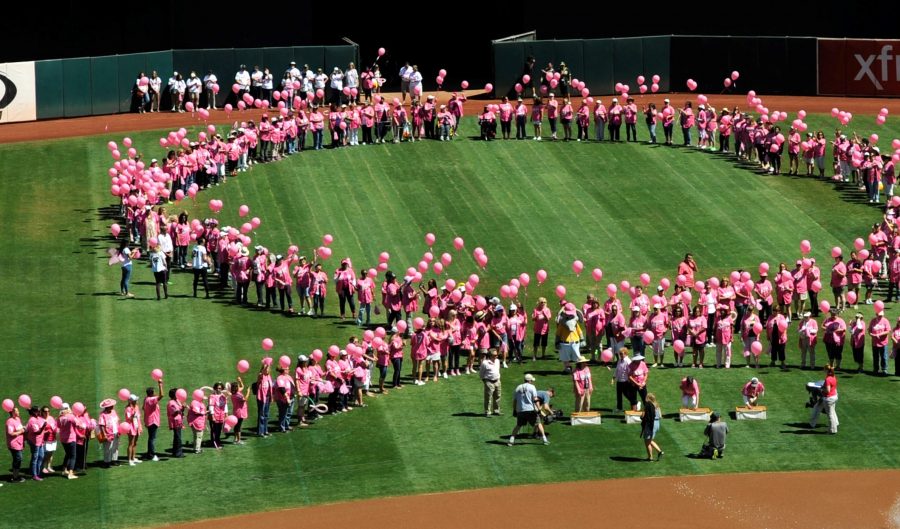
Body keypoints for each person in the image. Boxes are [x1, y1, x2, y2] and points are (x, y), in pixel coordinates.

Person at [507, 374, 548, 446]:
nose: (532, 381)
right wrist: (538, 409)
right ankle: (545, 439)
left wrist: (514, 410)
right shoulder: (532, 387)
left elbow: (515, 401)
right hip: (530, 410)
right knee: (538, 423)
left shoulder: (518, 387)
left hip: (520, 410)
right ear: (529, 380)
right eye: (531, 380)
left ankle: (511, 440)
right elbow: (535, 399)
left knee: (518, 425)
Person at [555, 302, 585, 374]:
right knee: (565, 357)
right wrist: (557, 342)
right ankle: (567, 367)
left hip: (575, 342)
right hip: (564, 343)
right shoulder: (562, 323)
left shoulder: (575, 323)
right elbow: (558, 334)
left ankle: (578, 368)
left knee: (577, 357)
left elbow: (579, 331)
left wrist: (582, 339)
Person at [809, 365, 839, 434]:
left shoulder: (828, 379)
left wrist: (821, 389)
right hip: (833, 396)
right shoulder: (833, 376)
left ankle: (832, 430)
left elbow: (827, 390)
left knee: (830, 414)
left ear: (826, 370)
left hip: (828, 398)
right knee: (830, 411)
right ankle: (835, 424)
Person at [143, 377, 163, 461]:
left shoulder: (146, 399)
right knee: (152, 438)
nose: (155, 393)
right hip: (153, 421)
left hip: (148, 420)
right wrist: (160, 384)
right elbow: (161, 395)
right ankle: (151, 455)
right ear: (151, 393)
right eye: (154, 392)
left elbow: (143, 408)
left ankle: (149, 453)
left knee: (151, 437)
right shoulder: (151, 400)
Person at [640, 393, 663, 461]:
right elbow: (660, 416)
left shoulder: (647, 405)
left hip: (650, 424)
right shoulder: (657, 406)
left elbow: (642, 416)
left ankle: (651, 457)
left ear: (648, 398)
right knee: (650, 440)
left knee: (647, 441)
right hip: (657, 423)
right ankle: (659, 452)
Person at [97, 398, 119, 468]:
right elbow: (102, 425)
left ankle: (114, 460)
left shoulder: (113, 412)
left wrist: (119, 431)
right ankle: (107, 462)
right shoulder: (102, 414)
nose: (112, 406)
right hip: (108, 434)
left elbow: (117, 421)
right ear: (107, 407)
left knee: (115, 447)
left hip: (116, 432)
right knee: (108, 448)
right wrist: (104, 434)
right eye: (111, 406)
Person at [6, 405, 25, 482]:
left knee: (18, 459)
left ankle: (16, 475)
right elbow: (10, 433)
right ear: (12, 412)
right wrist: (21, 431)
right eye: (16, 411)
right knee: (18, 459)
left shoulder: (17, 419)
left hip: (19, 443)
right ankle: (14, 477)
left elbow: (19, 428)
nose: (18, 412)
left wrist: (23, 428)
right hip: (14, 444)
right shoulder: (10, 421)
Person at [480, 349, 501, 417]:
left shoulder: (497, 361)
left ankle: (496, 410)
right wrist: (485, 381)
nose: (496, 356)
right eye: (495, 355)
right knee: (488, 398)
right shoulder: (485, 363)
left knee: (497, 396)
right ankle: (487, 412)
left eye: (497, 355)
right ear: (490, 356)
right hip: (489, 382)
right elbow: (481, 374)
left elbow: (498, 370)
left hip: (497, 381)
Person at [124, 394, 142, 466]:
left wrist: (139, 426)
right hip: (131, 427)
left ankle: (133, 458)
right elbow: (129, 419)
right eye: (135, 400)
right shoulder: (128, 409)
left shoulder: (136, 407)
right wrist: (133, 415)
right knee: (131, 443)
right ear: (131, 401)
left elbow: (138, 417)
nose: (136, 401)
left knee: (135, 443)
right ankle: (129, 460)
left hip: (137, 426)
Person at [166, 388, 185, 458]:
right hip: (175, 422)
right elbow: (173, 414)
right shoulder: (171, 403)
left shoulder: (177, 401)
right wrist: (180, 409)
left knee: (176, 437)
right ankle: (178, 453)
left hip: (179, 421)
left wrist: (183, 408)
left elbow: (180, 411)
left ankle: (175, 452)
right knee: (178, 438)